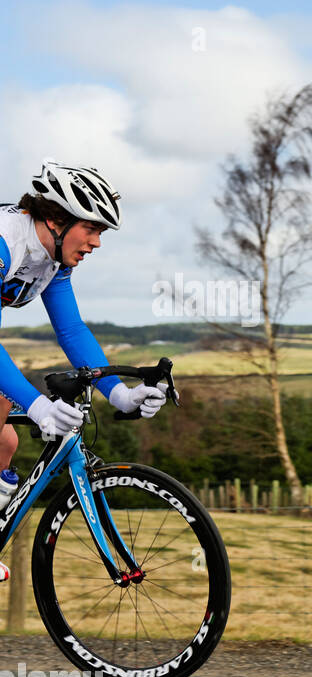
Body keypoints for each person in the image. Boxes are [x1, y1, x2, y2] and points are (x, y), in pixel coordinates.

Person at [0, 159, 168, 581]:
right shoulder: (5, 243)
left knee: (3, 440)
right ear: (56, 219)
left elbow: (72, 331)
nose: (96, 243)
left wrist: (118, 392)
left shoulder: (54, 261)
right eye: (91, 229)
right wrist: (38, 407)